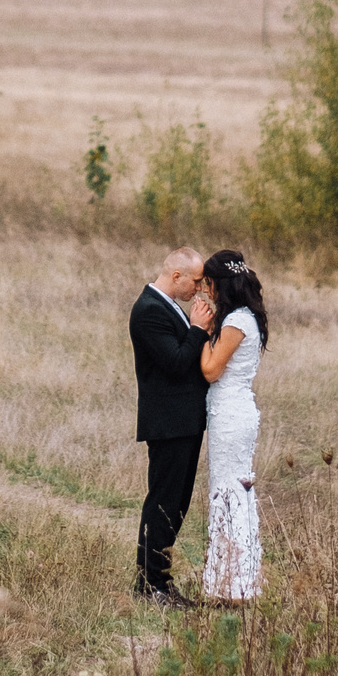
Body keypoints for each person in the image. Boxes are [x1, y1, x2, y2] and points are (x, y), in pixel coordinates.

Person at [129, 247, 210, 607]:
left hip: (184, 423)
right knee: (162, 503)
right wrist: (197, 329)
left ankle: (159, 581)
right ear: (176, 276)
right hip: (168, 424)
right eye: (195, 281)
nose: (199, 288)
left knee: (176, 505)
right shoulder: (148, 310)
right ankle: (151, 585)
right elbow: (176, 362)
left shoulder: (168, 305)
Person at [193, 249, 267, 603]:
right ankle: (229, 582)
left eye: (208, 283)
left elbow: (210, 370)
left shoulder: (237, 321)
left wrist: (201, 331)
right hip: (231, 412)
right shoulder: (243, 316)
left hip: (231, 415)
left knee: (231, 493)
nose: (205, 291)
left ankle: (237, 585)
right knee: (229, 492)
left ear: (220, 283)